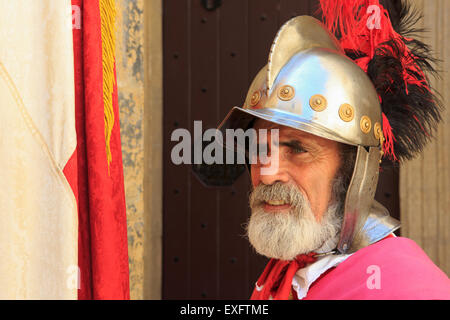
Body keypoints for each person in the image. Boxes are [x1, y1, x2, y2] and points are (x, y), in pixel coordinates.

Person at [218, 0, 450, 300]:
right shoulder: (287, 272)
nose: (267, 172)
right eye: (260, 150)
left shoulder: (404, 288)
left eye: (298, 149)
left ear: (352, 168)